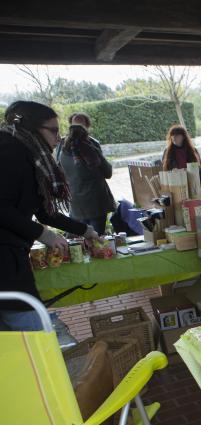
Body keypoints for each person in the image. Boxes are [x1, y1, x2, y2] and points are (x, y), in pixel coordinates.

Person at [0, 101, 100, 330]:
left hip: (11, 257)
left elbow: (45, 212)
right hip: (5, 261)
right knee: (35, 332)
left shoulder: (31, 156)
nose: (58, 137)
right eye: (53, 131)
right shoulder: (10, 152)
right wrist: (44, 235)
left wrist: (86, 231)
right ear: (32, 128)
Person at [57, 112, 115, 234]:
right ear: (86, 129)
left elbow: (58, 170)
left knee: (80, 238)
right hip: (96, 203)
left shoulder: (62, 148)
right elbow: (108, 172)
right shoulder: (91, 147)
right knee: (96, 239)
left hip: (75, 202)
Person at [162, 125, 201, 197]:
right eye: (172, 135)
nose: (174, 137)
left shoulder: (192, 150)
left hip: (192, 183)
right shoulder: (167, 152)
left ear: (183, 136)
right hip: (176, 185)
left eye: (177, 135)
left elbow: (199, 170)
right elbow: (165, 170)